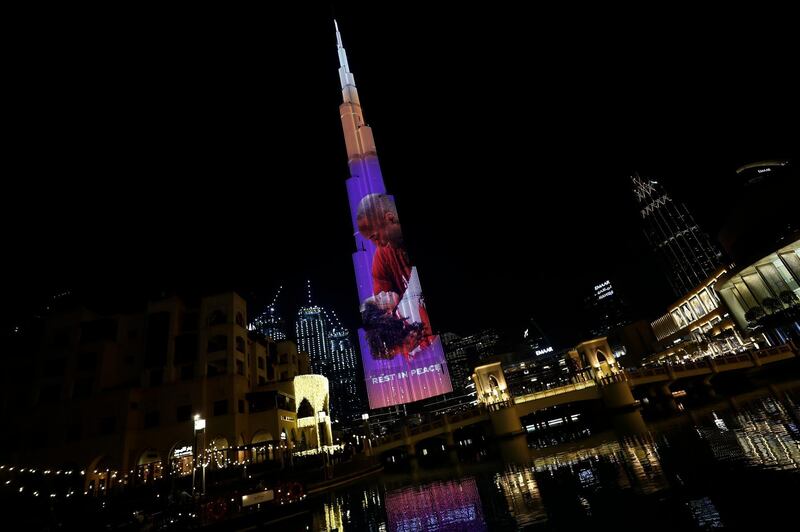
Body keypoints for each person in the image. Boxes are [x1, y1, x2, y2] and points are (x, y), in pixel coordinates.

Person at [356, 193, 433, 359]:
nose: (377, 244)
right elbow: (376, 318)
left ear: (390, 218)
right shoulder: (382, 256)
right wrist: (399, 345)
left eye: (375, 237)